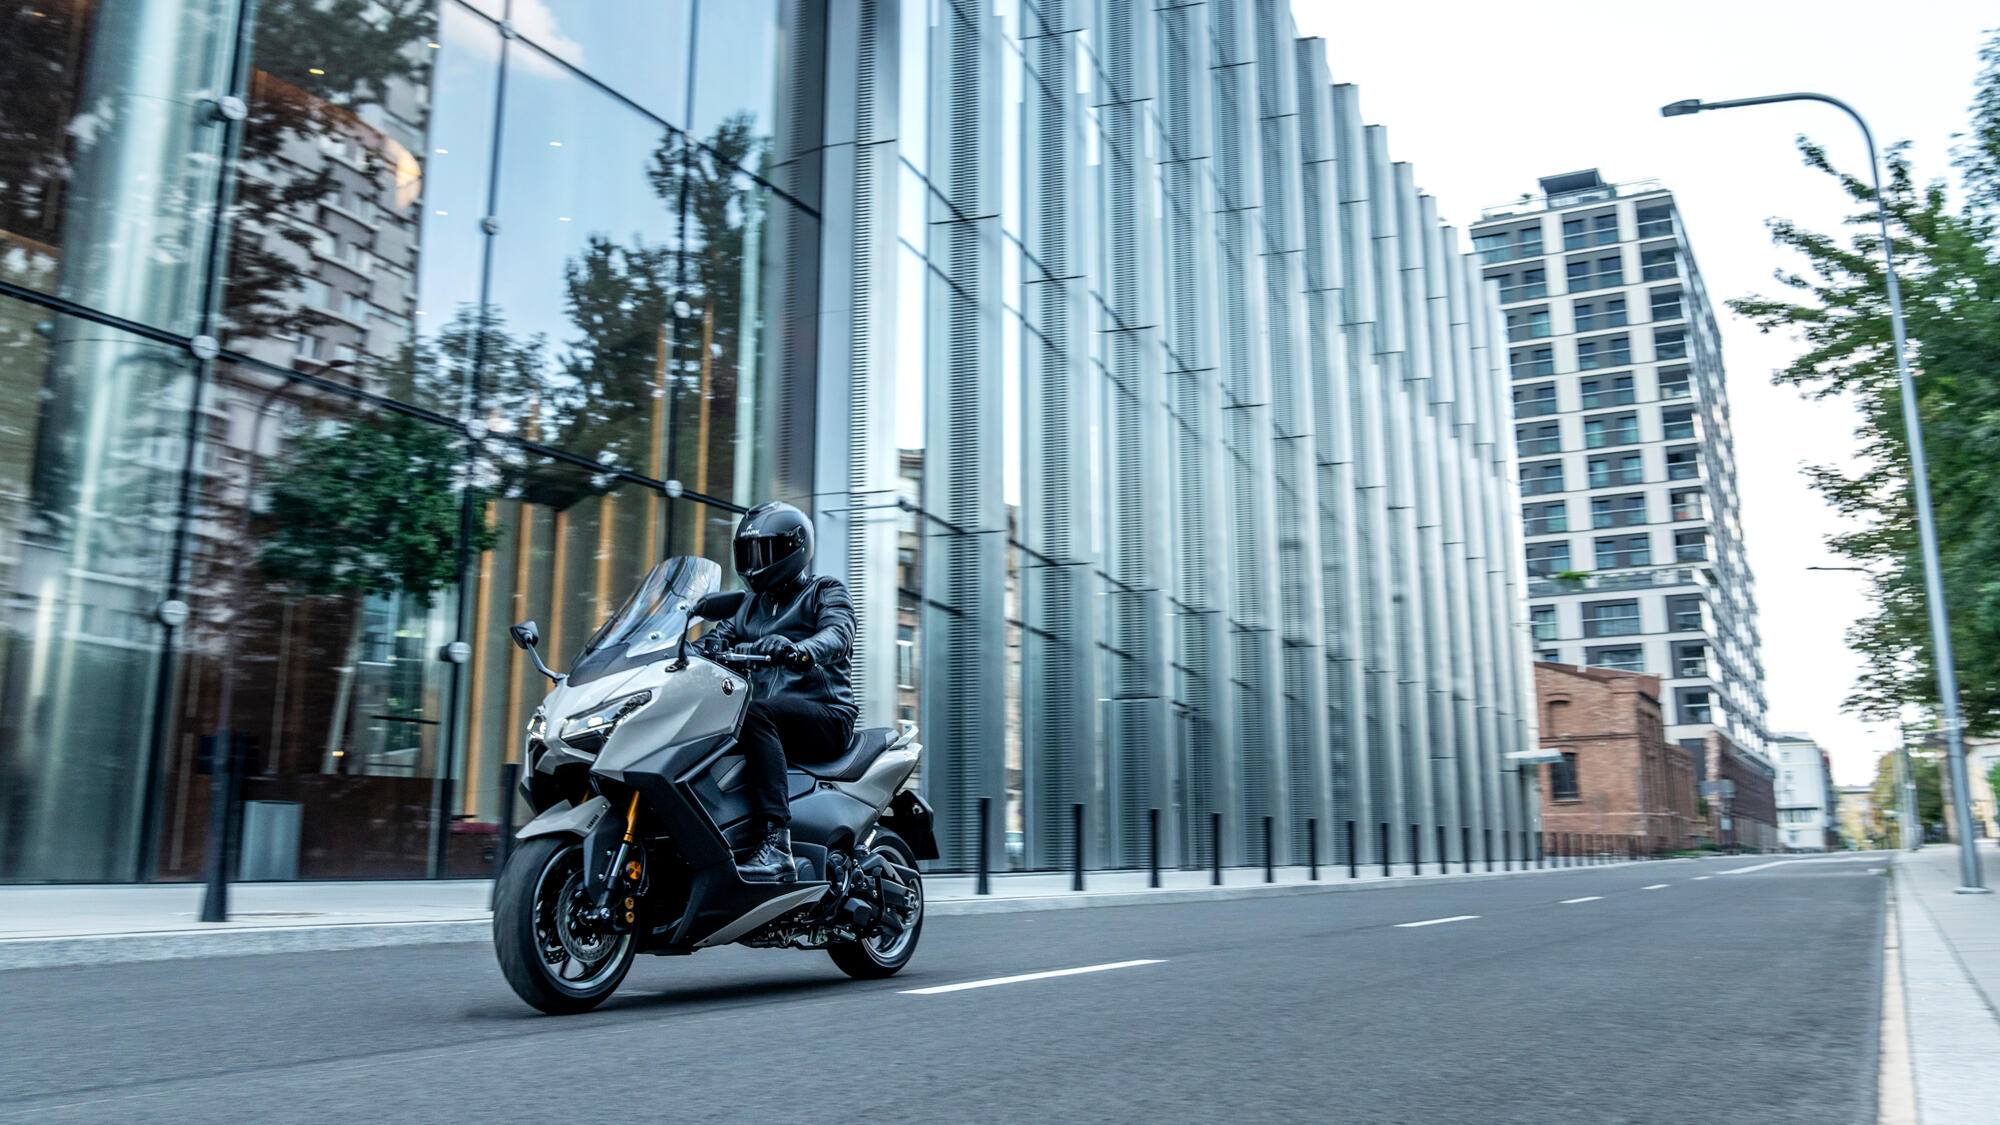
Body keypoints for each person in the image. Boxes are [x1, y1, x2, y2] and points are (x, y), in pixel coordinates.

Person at [694, 501, 856, 882]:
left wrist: (801, 651)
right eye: (748, 553)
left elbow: (838, 634)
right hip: (770, 719)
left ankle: (777, 845)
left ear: (793, 549)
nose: (754, 563)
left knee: (752, 714)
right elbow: (712, 642)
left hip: (826, 714)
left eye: (764, 551)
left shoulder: (824, 591)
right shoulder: (748, 607)